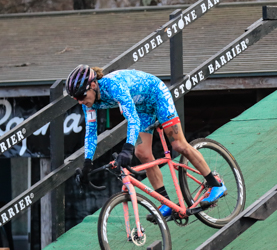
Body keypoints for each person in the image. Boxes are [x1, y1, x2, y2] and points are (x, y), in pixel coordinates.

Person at [66, 65, 226, 219]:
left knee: (178, 144)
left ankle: (215, 183)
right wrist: (87, 162)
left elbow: (132, 119)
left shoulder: (113, 86)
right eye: (75, 99)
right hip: (142, 106)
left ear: (93, 84)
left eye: (81, 96)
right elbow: (91, 133)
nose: (80, 102)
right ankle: (166, 202)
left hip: (157, 95)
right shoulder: (88, 104)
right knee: (142, 152)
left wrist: (126, 148)